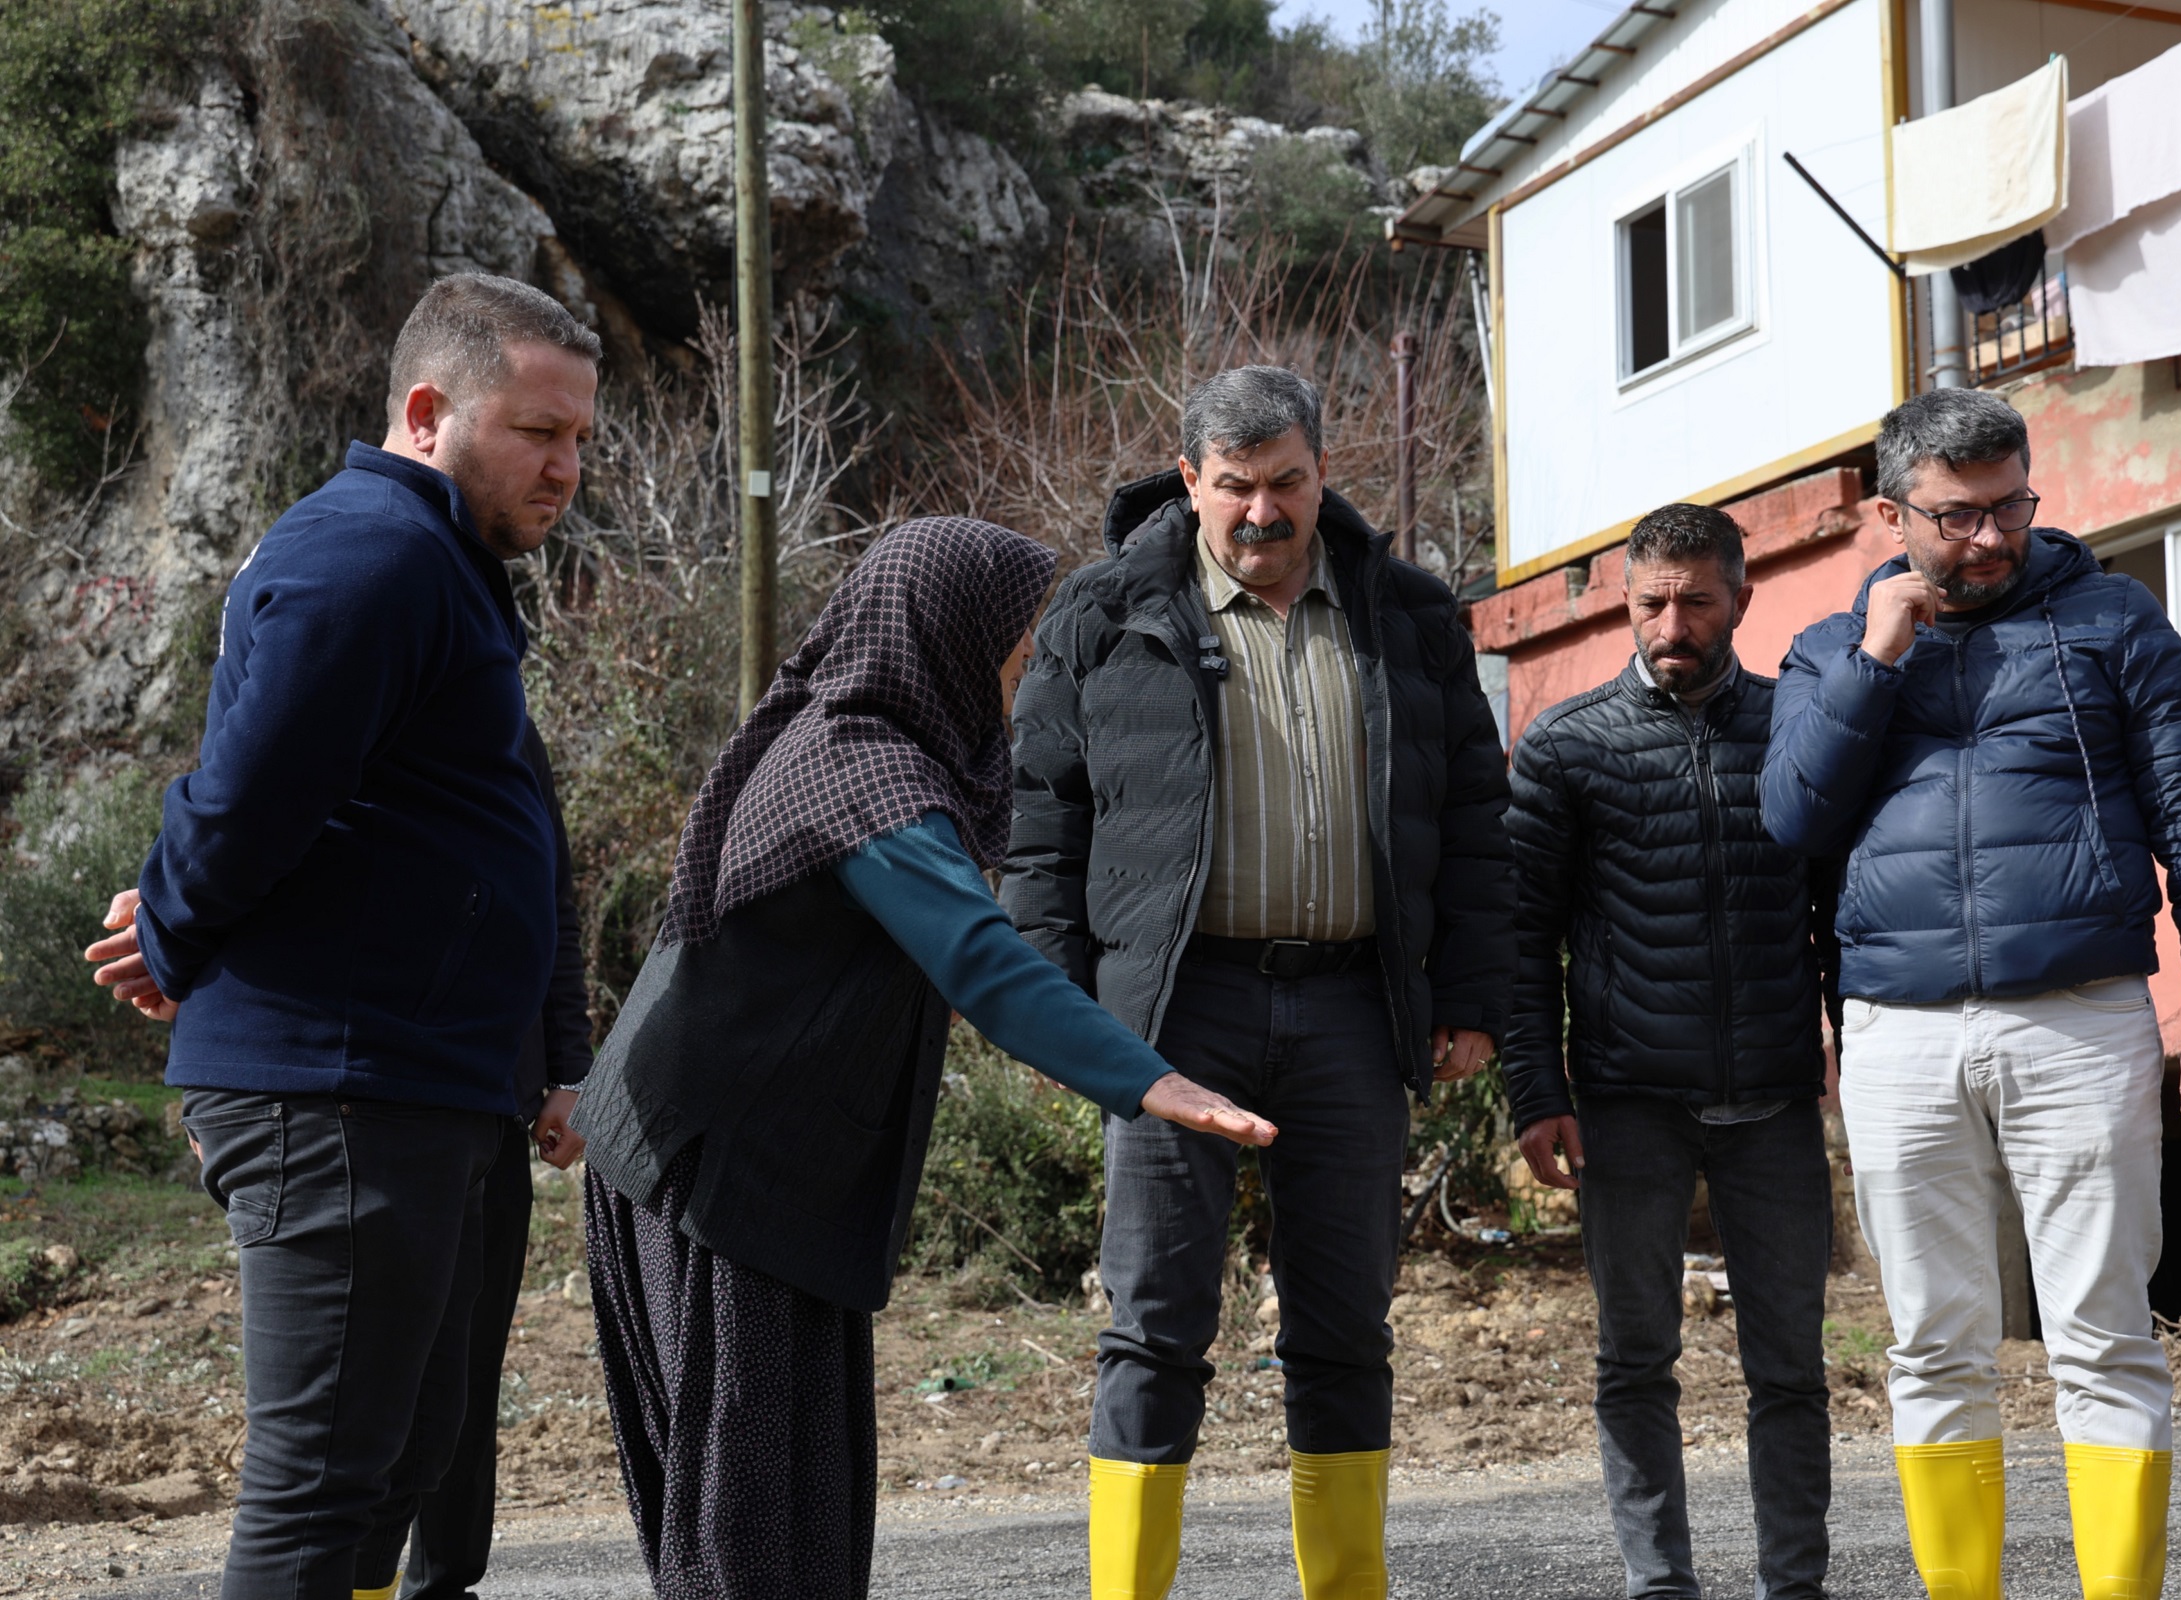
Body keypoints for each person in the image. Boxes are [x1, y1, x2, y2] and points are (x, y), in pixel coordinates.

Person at [568, 516, 1275, 1600]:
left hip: (706, 1163)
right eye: (1012, 637)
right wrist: (1150, 1078)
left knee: (764, 1518)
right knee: (756, 1535)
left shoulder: (830, 730)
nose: (1024, 659)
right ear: (942, 637)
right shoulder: (871, 779)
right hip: (718, 1180)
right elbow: (984, 963)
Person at [82, 272, 600, 1600]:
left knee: (394, 1475)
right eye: (540, 433)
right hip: (339, 1086)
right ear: (429, 411)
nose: (567, 468)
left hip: (421, 1081)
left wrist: (541, 1053)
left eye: (581, 440)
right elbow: (251, 791)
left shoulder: (438, 563)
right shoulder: (366, 553)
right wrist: (176, 931)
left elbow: (440, 823)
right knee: (322, 1493)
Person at [1002, 365, 1514, 1600]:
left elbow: (1477, 816)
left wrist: (1474, 993)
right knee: (1153, 1326)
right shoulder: (1103, 611)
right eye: (1234, 486)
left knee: (1343, 1330)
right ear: (1189, 482)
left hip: (1353, 1007)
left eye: (1287, 482)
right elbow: (1038, 826)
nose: (1263, 513)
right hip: (1175, 1013)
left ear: (1322, 471)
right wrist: (1063, 1013)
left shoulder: (1412, 613)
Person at [1762, 387, 2181, 1600]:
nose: (1993, 538)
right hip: (1895, 1028)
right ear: (1891, 513)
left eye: (2012, 507)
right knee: (1934, 1345)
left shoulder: (2114, 620)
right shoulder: (1830, 649)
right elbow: (1790, 818)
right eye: (1958, 517)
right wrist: (1877, 665)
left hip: (2082, 1015)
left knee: (2103, 1334)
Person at [1506, 502, 1837, 1600]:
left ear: (1741, 597)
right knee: (1635, 1362)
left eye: (1697, 599)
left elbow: (1837, 906)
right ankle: (1662, 1584)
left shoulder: (1799, 727)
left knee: (1789, 1368)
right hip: (1627, 1101)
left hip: (1777, 1099)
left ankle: (1794, 1584)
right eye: (1652, 602)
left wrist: (1853, 1052)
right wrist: (1533, 1091)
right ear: (1625, 603)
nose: (1673, 622)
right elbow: (1522, 938)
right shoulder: (1566, 744)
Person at [399, 719, 591, 1600]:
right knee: (365, 1388)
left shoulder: (509, 728)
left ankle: (447, 1585)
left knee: (468, 1377)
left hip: (493, 1102)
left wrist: (567, 1071)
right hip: (364, 1106)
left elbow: (550, 896)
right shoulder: (331, 697)